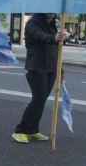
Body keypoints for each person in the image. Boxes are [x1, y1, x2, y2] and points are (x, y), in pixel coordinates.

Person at [13, 13, 65, 143]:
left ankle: (33, 129)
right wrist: (54, 37)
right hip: (36, 67)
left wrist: (60, 70)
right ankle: (20, 130)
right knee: (38, 99)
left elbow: (56, 49)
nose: (52, 14)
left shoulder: (52, 24)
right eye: (49, 12)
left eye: (53, 12)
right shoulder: (32, 24)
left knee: (42, 100)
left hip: (51, 68)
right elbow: (41, 37)